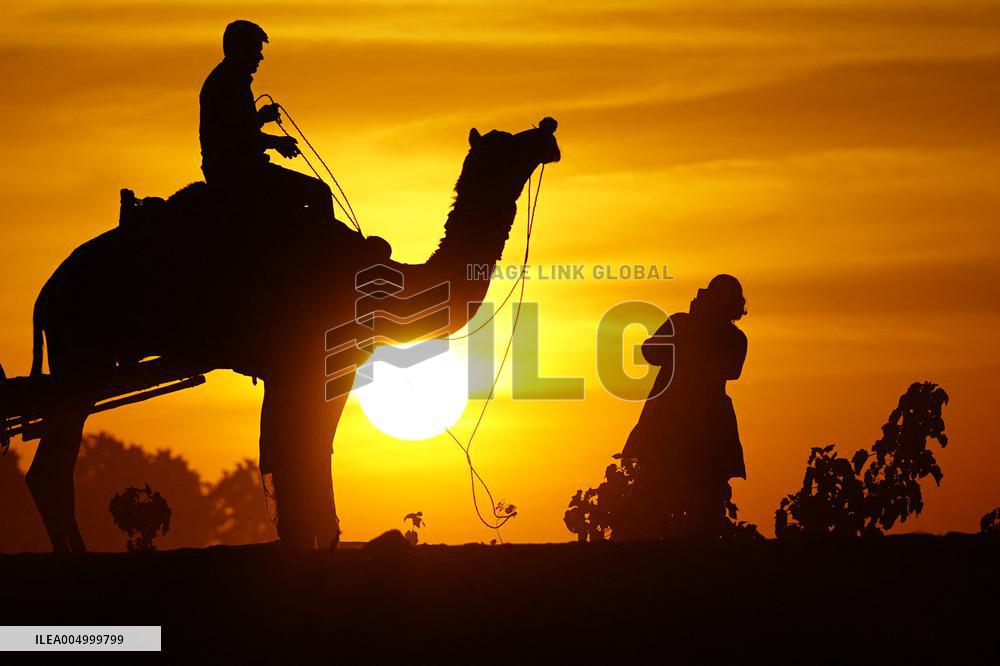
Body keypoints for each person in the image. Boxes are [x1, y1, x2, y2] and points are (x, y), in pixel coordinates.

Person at [621, 274, 748, 539]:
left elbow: (730, 370)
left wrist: (691, 335)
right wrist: (685, 331)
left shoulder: (734, 338)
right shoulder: (681, 323)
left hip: (707, 421)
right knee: (652, 489)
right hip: (671, 416)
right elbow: (649, 352)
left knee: (707, 494)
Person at [199, 20, 339, 227]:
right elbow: (232, 136)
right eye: (255, 50)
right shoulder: (227, 83)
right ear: (239, 49)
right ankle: (326, 251)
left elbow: (236, 129)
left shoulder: (229, 80)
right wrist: (276, 142)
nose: (260, 56)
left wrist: (260, 118)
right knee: (319, 192)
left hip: (232, 169)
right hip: (239, 173)